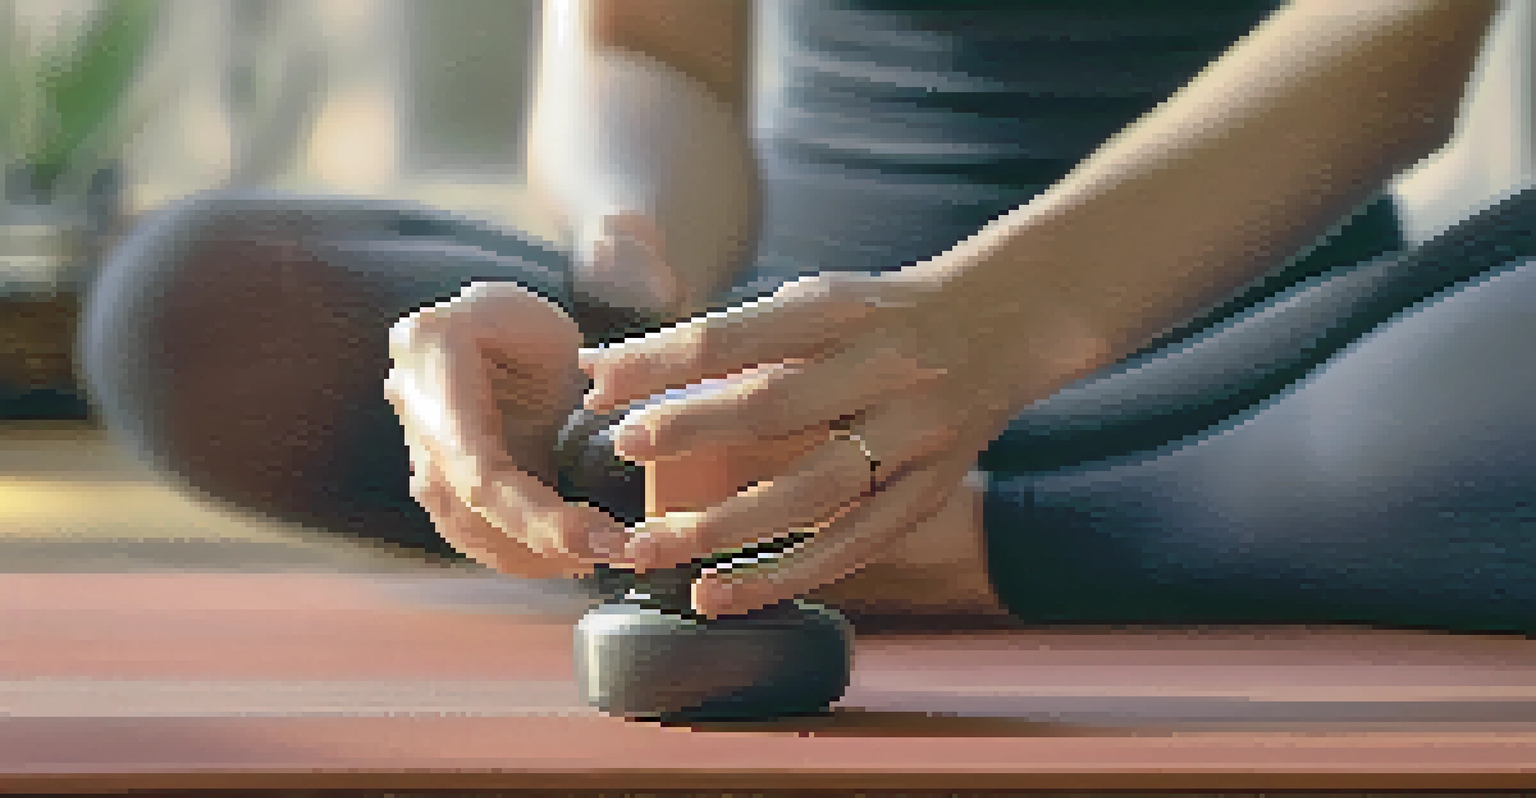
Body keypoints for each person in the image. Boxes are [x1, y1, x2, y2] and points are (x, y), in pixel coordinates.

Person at [85, 1, 1531, 631]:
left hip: (1272, 367)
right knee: (196, 308)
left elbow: (1396, 42)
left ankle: (969, 534)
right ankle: (760, 497)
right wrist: (627, 326)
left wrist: (988, 330)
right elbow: (648, 52)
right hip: (791, 347)